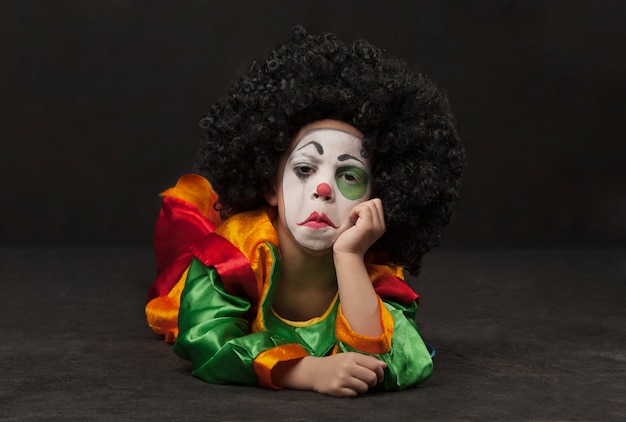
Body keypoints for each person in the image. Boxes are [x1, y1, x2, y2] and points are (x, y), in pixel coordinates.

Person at [145, 26, 465, 397]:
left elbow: (384, 359)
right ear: (271, 186)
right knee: (176, 271)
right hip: (203, 268)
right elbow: (204, 337)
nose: (324, 189)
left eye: (349, 175)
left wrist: (349, 256)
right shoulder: (233, 254)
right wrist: (305, 371)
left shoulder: (376, 273)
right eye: (304, 169)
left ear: (379, 198)